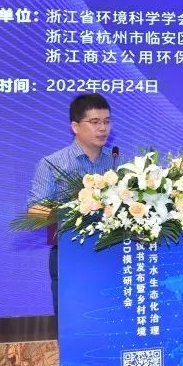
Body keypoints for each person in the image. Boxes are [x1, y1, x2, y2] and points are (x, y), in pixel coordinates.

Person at [28, 93, 119, 315]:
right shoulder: (52, 163)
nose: (103, 128)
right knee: (74, 322)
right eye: (95, 122)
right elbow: (34, 212)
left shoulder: (117, 161)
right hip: (70, 255)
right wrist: (77, 209)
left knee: (112, 320)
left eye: (107, 121)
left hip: (113, 254)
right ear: (75, 126)